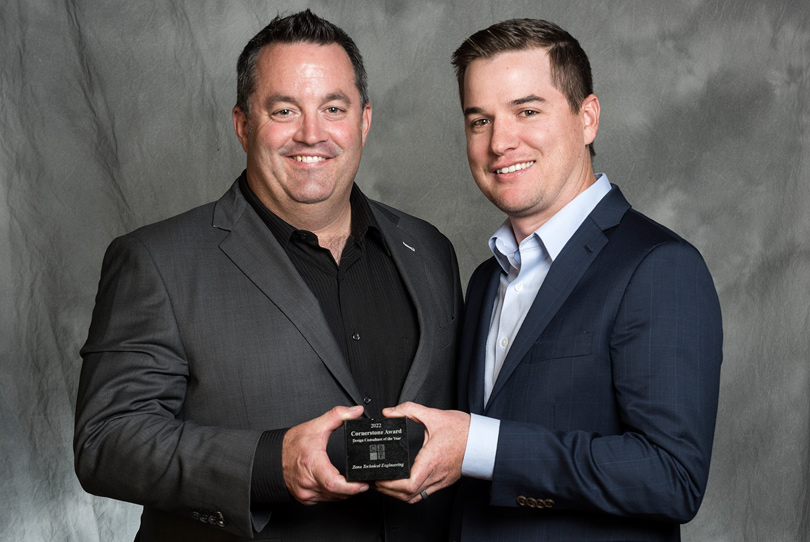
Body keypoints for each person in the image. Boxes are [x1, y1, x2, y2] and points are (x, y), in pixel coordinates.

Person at [74, 10, 462, 542]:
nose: (311, 134)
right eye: (284, 110)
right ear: (243, 124)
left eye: (333, 108)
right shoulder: (155, 261)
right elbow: (105, 441)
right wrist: (269, 463)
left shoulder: (430, 250)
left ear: (364, 121)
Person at [376, 18, 723, 541]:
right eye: (480, 120)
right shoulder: (485, 279)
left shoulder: (659, 267)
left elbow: (672, 478)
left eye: (527, 111)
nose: (499, 142)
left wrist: (479, 445)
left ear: (588, 118)